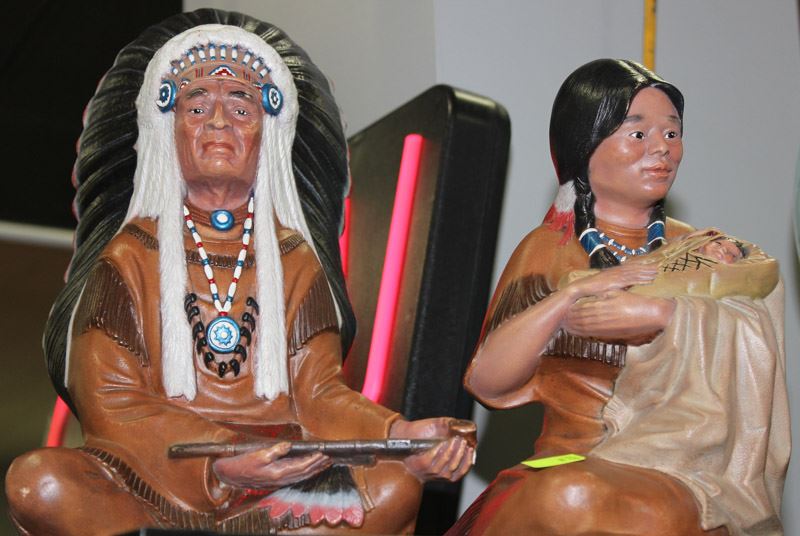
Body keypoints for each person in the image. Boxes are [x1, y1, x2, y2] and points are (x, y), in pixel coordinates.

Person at [6, 18, 473, 536]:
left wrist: (401, 433)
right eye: (197, 107)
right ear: (169, 131)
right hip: (158, 476)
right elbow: (110, 402)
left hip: (277, 481)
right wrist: (221, 458)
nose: (218, 123)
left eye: (241, 109)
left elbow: (320, 394)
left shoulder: (293, 258)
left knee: (394, 483)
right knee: (39, 481)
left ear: (266, 137)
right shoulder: (131, 254)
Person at [451, 59, 789, 535]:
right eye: (638, 134)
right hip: (567, 458)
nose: (662, 149)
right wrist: (569, 298)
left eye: (672, 133)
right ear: (584, 145)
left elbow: (756, 317)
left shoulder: (701, 249)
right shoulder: (550, 249)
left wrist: (664, 313)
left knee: (615, 506)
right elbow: (488, 382)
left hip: (678, 463)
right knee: (559, 494)